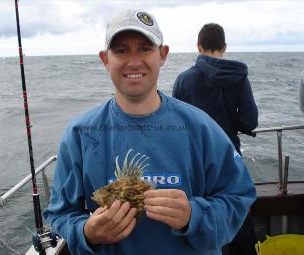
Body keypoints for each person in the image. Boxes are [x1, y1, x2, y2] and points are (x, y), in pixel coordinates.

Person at [43, 10, 256, 255]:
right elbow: (60, 214)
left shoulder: (202, 128)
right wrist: (86, 232)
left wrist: (193, 216)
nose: (134, 61)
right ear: (105, 59)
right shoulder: (79, 135)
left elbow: (239, 196)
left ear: (162, 55)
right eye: (121, 50)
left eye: (145, 48)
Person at [172, 23, 258, 255]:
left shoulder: (183, 80)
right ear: (224, 47)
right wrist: (230, 124)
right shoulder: (239, 78)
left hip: (193, 163)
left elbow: (175, 127)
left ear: (198, 46)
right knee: (236, 215)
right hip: (229, 158)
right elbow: (250, 121)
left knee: (199, 220)